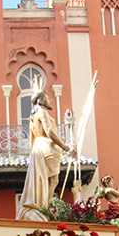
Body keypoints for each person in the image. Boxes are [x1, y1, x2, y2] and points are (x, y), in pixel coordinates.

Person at [16, 79, 76, 221]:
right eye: (48, 99)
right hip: (47, 146)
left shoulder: (33, 116)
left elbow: (32, 138)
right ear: (42, 100)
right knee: (52, 180)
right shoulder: (42, 111)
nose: (50, 101)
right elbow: (49, 130)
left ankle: (43, 208)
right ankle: (44, 209)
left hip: (38, 146)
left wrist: (34, 154)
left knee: (43, 179)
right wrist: (66, 147)